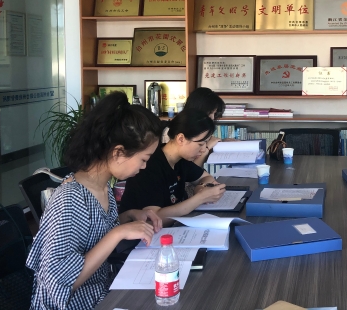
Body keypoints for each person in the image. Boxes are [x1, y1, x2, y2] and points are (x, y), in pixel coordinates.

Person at [27, 92, 164, 310]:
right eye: (143, 159)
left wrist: (129, 217)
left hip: (101, 292)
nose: (144, 167)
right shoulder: (70, 199)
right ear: (118, 153)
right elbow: (59, 283)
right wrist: (118, 233)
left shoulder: (102, 186)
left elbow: (93, 233)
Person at [119, 108, 226, 223]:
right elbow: (154, 219)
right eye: (200, 144)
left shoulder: (181, 160)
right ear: (181, 139)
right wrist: (200, 198)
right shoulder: (149, 166)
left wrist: (201, 186)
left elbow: (206, 177)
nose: (204, 149)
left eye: (206, 143)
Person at [182, 87, 230, 167]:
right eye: (210, 113)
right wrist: (206, 148)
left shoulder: (198, 130)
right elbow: (189, 172)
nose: (212, 118)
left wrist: (222, 143)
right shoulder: (180, 132)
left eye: (214, 113)